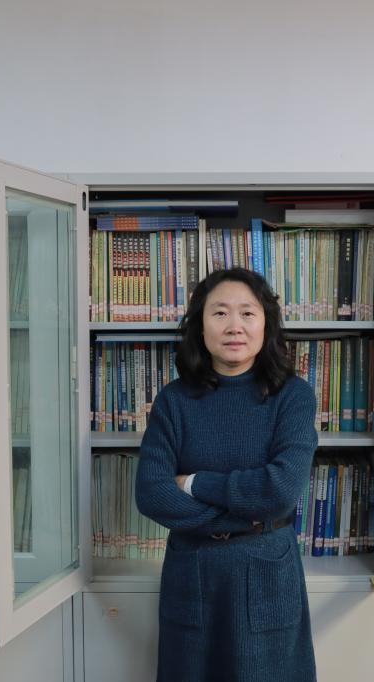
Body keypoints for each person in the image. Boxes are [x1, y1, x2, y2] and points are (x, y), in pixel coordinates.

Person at [135, 266, 319, 682]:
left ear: (266, 325)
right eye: (219, 313)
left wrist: (195, 483)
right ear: (200, 326)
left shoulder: (293, 396)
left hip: (267, 574)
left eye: (247, 313)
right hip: (193, 574)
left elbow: (280, 491)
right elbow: (151, 493)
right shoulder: (174, 401)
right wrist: (248, 514)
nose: (234, 326)